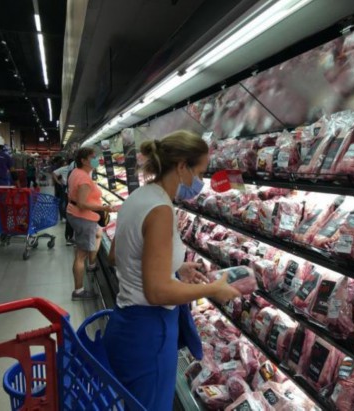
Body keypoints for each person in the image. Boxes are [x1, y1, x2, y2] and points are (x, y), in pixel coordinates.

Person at [103, 131, 240, 410]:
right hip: (149, 333)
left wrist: (174, 267)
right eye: (199, 173)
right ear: (181, 166)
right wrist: (212, 289)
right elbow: (157, 292)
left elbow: (115, 255)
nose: (200, 182)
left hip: (125, 325)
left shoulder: (139, 196)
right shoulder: (161, 210)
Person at [67, 147, 114, 300]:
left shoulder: (76, 172)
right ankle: (78, 291)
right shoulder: (84, 179)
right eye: (93, 157)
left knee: (98, 233)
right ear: (83, 160)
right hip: (83, 217)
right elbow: (82, 204)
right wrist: (105, 208)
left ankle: (92, 264)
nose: (96, 160)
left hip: (75, 213)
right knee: (81, 255)